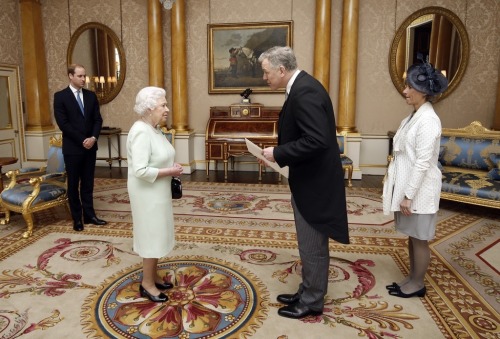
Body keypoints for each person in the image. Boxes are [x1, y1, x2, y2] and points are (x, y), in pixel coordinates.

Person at [258, 46, 349, 319]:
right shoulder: (301, 87)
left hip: (315, 184)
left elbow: (317, 140)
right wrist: (278, 155)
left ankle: (311, 301)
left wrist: (279, 153)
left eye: (266, 72)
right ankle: (308, 288)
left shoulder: (305, 91)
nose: (264, 78)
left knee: (312, 244)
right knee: (308, 242)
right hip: (309, 178)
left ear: (281, 70)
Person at [382, 59, 448, 298]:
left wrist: (408, 195)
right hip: (411, 188)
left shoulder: (429, 120)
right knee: (413, 236)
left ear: (424, 91)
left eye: (409, 87)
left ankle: (418, 284)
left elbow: (422, 162)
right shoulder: (414, 116)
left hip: (420, 190)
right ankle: (411, 278)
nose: (405, 91)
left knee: (420, 239)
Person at [127, 86, 183, 302]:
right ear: (150, 108)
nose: (167, 109)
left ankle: (153, 275)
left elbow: (159, 156)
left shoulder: (154, 129)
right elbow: (140, 170)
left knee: (158, 232)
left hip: (157, 191)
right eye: (163, 105)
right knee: (151, 235)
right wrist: (170, 171)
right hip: (146, 193)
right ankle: (147, 284)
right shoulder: (141, 130)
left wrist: (170, 165)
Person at [54, 64, 107, 232]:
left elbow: (98, 120)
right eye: (80, 76)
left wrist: (92, 138)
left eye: (85, 76)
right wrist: (83, 139)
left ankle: (90, 216)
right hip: (73, 149)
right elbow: (64, 124)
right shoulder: (60, 97)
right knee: (73, 185)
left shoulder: (91, 96)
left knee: (88, 184)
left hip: (90, 147)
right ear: (70, 76)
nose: (84, 79)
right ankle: (77, 219)